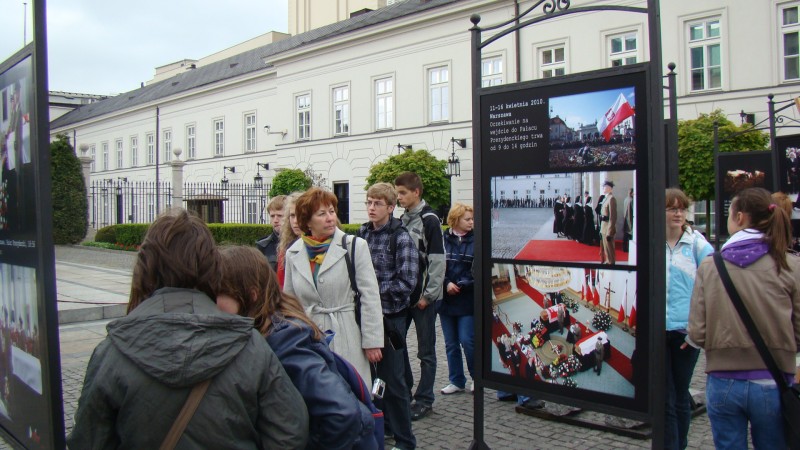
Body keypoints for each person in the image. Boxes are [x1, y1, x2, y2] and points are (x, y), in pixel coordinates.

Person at [67, 209, 309, 449]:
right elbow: (289, 431)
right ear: (212, 265)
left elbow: (88, 441)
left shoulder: (112, 352)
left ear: (145, 267)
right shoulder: (250, 345)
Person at [216, 245, 378, 450]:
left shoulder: (283, 340)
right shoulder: (274, 325)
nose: (213, 303)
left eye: (219, 294)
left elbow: (341, 413)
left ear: (252, 294)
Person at [688, 187, 800, 449]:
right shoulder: (790, 264)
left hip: (723, 379)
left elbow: (697, 333)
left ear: (739, 217)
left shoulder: (710, 265)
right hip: (773, 380)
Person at [283, 187, 384, 385]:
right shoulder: (293, 253)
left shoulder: (355, 246)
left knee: (350, 393)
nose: (330, 218)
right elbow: (289, 303)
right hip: (309, 339)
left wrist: (372, 342)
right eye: (321, 214)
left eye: (331, 211)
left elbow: (370, 297)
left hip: (347, 334)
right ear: (307, 221)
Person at [357, 182, 418, 450]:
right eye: (369, 202)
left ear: (391, 207)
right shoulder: (361, 235)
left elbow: (406, 283)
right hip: (364, 317)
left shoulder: (401, 238)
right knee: (372, 379)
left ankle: (406, 441)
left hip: (391, 320)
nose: (371, 207)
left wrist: (370, 294)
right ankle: (386, 428)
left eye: (377, 203)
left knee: (393, 381)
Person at [664, 188, 713, 450]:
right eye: (672, 208)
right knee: (666, 398)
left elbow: (714, 284)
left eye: (681, 208)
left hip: (685, 331)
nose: (678, 213)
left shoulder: (697, 244)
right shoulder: (648, 240)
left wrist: (698, 329)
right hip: (658, 329)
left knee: (681, 397)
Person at [394, 172, 445, 421]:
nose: (398, 197)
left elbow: (437, 261)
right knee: (398, 344)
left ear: (416, 192)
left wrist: (429, 295)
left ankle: (425, 399)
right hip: (405, 297)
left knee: (426, 351)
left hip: (423, 299)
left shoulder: (430, 220)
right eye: (397, 193)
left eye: (402, 193)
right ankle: (405, 390)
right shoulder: (402, 219)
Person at [437, 203, 476, 396]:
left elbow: (478, 268)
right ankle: (456, 380)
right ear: (456, 219)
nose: (471, 222)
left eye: (472, 219)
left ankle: (477, 377)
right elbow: (435, 265)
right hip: (446, 299)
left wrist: (462, 283)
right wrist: (446, 283)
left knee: (467, 340)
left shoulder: (477, 239)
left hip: (467, 297)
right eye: (467, 219)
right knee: (450, 343)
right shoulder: (443, 239)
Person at [277, 192, 303, 286]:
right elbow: (281, 285)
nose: (295, 221)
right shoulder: (286, 248)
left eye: (300, 215)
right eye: (292, 215)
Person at [255, 194, 286, 271]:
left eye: (280, 216)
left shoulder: (300, 242)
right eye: (272, 216)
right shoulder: (262, 246)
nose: (275, 220)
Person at [599, 181, 617, 264]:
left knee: (610, 250)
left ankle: (611, 263)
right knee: (606, 249)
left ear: (609, 188)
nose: (603, 188)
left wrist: (609, 232)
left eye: (605, 186)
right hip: (603, 227)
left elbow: (613, 217)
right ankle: (608, 261)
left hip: (607, 229)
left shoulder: (611, 199)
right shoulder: (606, 198)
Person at [623, 188, 634, 252]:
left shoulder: (626, 199)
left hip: (625, 218)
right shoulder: (631, 200)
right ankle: (629, 248)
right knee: (630, 234)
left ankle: (624, 248)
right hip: (630, 219)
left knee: (625, 234)